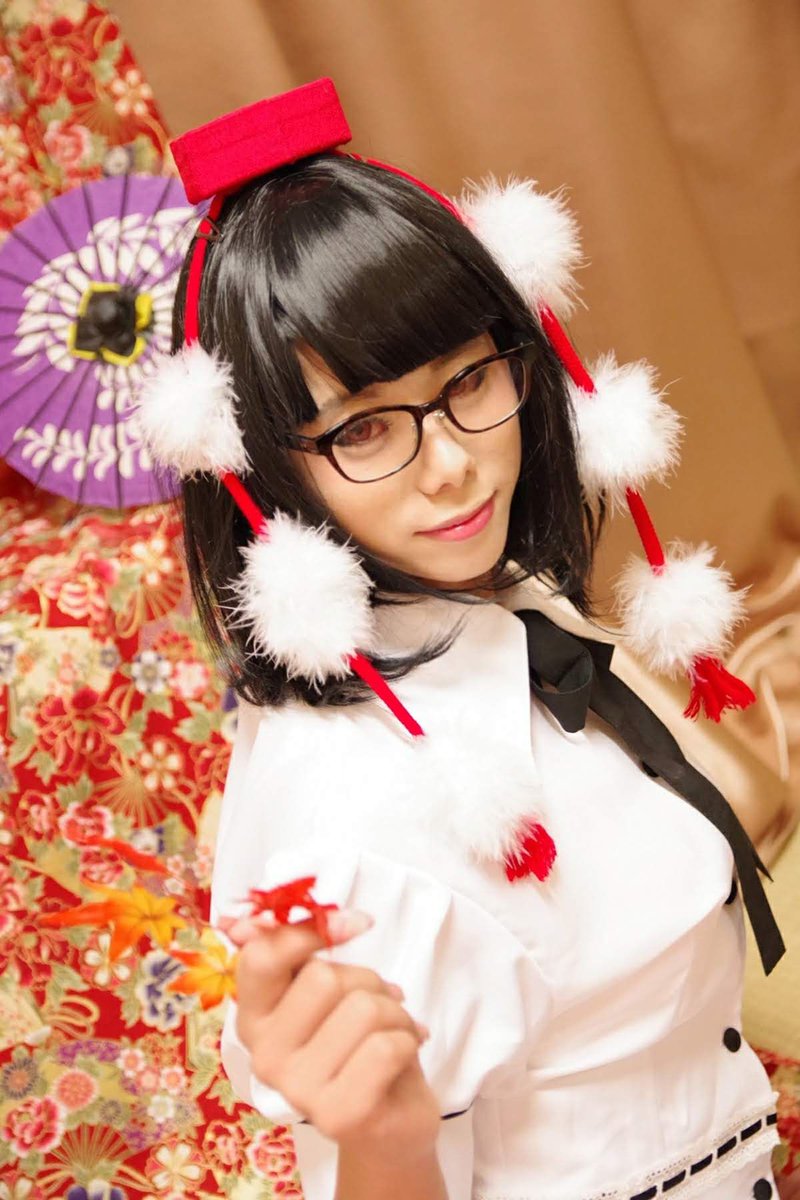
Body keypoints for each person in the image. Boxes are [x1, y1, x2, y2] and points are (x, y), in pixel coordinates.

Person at [135, 80, 786, 1200]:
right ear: (266, 470)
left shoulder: (504, 612)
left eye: (469, 381)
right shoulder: (359, 818)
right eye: (363, 430)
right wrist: (385, 1146)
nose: (451, 466)